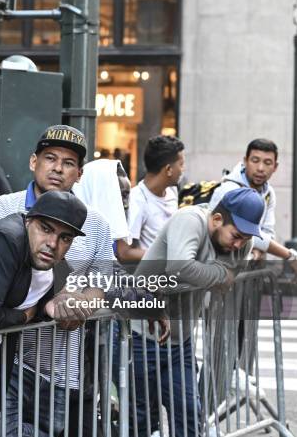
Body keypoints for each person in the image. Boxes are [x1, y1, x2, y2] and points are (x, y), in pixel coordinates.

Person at [0, 124, 115, 437]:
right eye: (50, 158)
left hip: (59, 369)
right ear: (33, 161)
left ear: (79, 174)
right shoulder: (0, 209)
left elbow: (102, 284)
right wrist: (47, 302)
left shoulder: (96, 224)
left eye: (68, 163)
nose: (58, 168)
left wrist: (82, 303)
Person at [121, 187, 265, 437]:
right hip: (139, 337)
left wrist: (213, 275)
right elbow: (182, 268)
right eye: (236, 235)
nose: (239, 244)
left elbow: (226, 279)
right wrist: (219, 275)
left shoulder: (243, 240)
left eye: (245, 237)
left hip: (180, 340)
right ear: (217, 219)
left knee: (189, 414)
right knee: (141, 418)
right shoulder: (190, 220)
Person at [0, 190, 88, 437]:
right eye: (46, 229)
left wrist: (49, 306)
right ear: (29, 221)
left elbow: (61, 286)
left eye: (65, 238)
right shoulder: (4, 239)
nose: (53, 243)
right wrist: (27, 316)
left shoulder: (44, 255)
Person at [209, 138, 297, 282]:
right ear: (245, 161)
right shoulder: (229, 189)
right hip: (216, 264)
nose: (260, 168)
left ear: (275, 167)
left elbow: (267, 232)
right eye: (255, 160)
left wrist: (258, 248)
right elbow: (217, 230)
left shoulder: (268, 193)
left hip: (245, 266)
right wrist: (289, 254)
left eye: (267, 163)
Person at [116, 135, 186, 264]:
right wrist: (168, 256)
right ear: (169, 169)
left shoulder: (172, 192)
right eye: (181, 164)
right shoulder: (136, 200)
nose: (183, 169)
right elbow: (124, 253)